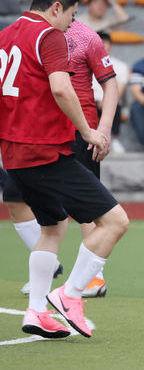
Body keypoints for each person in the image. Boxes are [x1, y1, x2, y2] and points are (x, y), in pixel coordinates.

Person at [0, 0, 128, 339]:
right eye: (71, 13)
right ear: (57, 7)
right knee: (115, 222)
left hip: (13, 155)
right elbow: (61, 88)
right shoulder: (51, 36)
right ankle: (70, 294)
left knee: (52, 227)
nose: (73, 22)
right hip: (46, 152)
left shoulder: (5, 36)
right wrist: (88, 131)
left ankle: (36, 311)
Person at [4, 18, 119, 299]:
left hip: (82, 129)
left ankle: (93, 279)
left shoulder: (86, 36)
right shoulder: (31, 34)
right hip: (42, 131)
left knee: (90, 208)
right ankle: (48, 264)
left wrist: (102, 128)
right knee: (14, 198)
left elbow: (111, 85)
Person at [93, 31, 129, 153]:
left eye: (105, 43)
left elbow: (120, 89)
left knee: (115, 106)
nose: (102, 46)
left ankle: (114, 139)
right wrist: (97, 100)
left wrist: (106, 101)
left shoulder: (121, 66)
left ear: (111, 45)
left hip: (110, 99)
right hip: (92, 99)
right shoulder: (85, 64)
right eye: (99, 43)